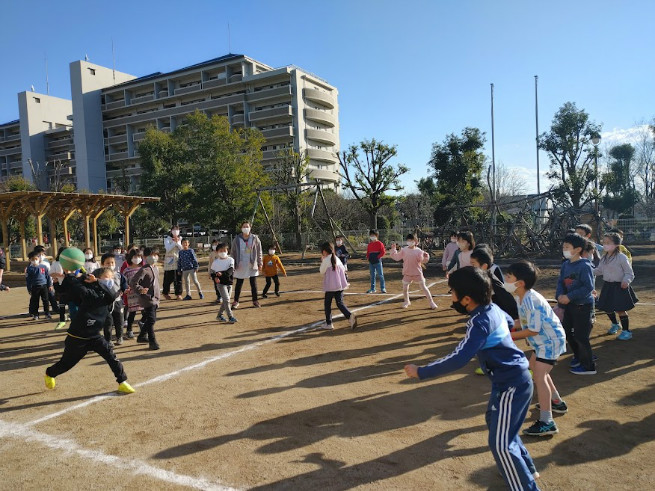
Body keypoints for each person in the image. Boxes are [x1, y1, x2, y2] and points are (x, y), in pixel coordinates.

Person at [404, 267, 538, 489]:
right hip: (510, 380)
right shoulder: (492, 308)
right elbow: (508, 322)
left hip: (511, 384)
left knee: (501, 444)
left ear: (466, 299)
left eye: (452, 292)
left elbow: (459, 357)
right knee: (496, 423)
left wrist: (422, 371)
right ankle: (527, 469)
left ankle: (525, 486)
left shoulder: (479, 322)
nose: (451, 296)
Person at [44, 267, 135, 394]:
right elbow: (74, 290)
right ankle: (50, 373)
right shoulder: (87, 291)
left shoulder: (109, 293)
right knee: (66, 364)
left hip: (95, 336)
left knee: (111, 357)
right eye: (107, 277)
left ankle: (122, 381)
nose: (110, 280)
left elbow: (112, 296)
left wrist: (97, 282)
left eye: (112, 278)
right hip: (77, 337)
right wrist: (74, 276)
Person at [505, 261, 568, 436]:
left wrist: (506, 336)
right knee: (535, 368)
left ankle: (547, 422)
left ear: (520, 283)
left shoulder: (531, 300)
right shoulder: (520, 297)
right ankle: (556, 401)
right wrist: (506, 326)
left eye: (509, 276)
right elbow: (524, 323)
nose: (505, 279)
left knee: (539, 377)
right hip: (542, 342)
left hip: (549, 341)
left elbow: (533, 329)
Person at [556, 234, 596, 375]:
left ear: (578, 249)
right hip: (569, 306)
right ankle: (579, 356)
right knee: (567, 332)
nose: (564, 249)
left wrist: (569, 296)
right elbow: (561, 282)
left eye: (567, 247)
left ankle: (588, 366)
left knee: (581, 336)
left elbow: (588, 287)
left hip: (582, 306)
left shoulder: (584, 266)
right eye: (563, 247)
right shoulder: (565, 264)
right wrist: (560, 295)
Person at [594, 232, 639, 340]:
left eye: (608, 242)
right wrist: (588, 270)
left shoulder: (622, 257)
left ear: (616, 244)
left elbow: (629, 273)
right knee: (607, 307)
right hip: (608, 286)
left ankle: (626, 331)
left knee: (620, 310)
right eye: (604, 242)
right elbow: (599, 270)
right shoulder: (604, 257)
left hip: (620, 286)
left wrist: (626, 281)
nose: (605, 245)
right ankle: (615, 324)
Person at [389, 234, 437, 309]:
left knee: (424, 287)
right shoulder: (404, 250)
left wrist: (426, 256)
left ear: (415, 241)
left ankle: (431, 302)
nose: (409, 242)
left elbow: (423, 261)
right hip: (407, 273)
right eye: (408, 240)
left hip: (417, 273)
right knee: (405, 289)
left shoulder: (419, 251)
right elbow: (396, 257)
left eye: (411, 240)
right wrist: (393, 250)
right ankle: (406, 301)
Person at [319, 242, 356, 330]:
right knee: (339, 302)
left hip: (331, 286)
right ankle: (350, 316)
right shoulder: (336, 258)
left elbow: (321, 271)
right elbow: (343, 269)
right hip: (339, 285)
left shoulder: (326, 259)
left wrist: (323, 260)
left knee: (327, 304)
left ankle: (329, 323)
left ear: (324, 251)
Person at [129, 247, 161, 350]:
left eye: (155, 255)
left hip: (155, 298)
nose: (153, 257)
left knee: (150, 320)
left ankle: (142, 336)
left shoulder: (155, 268)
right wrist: (140, 289)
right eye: (151, 255)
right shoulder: (144, 269)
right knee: (151, 320)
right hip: (147, 299)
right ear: (145, 257)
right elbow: (133, 282)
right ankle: (152, 341)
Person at [231, 221, 263, 309]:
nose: (246, 228)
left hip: (252, 264)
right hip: (240, 264)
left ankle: (255, 301)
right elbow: (233, 252)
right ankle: (236, 301)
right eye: (244, 226)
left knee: (253, 283)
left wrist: (260, 263)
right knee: (239, 283)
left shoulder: (255, 238)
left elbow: (259, 251)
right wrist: (233, 264)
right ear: (241, 228)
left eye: (247, 226)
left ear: (250, 227)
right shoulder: (237, 239)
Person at [99, 252, 127, 345]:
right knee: (107, 323)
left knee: (119, 321)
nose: (110, 265)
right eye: (107, 263)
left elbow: (124, 284)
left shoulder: (119, 275)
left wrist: (125, 289)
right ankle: (108, 339)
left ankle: (119, 337)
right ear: (102, 264)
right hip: (106, 303)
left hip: (118, 301)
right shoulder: (99, 276)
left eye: (112, 263)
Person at [210, 242, 237, 323]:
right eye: (220, 251)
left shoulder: (230, 260)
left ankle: (219, 315)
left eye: (224, 250)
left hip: (229, 283)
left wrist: (221, 274)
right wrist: (215, 277)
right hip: (220, 284)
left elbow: (230, 271)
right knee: (227, 299)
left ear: (227, 251)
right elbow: (212, 272)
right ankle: (230, 316)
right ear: (217, 252)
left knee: (226, 300)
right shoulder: (215, 262)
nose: (223, 252)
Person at [122, 249, 144, 339]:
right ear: (130, 258)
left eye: (139, 257)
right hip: (131, 295)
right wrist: (126, 289)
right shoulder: (126, 270)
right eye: (135, 257)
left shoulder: (143, 269)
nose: (137, 259)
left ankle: (143, 325)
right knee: (132, 313)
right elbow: (124, 282)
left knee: (145, 312)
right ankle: (129, 330)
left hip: (143, 294)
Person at [26, 251, 53, 320]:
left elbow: (48, 276)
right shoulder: (29, 269)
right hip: (35, 286)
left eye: (36, 259)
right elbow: (28, 279)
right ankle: (36, 314)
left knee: (46, 300)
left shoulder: (43, 267)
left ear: (39, 259)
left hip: (44, 286)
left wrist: (50, 285)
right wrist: (29, 288)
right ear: (30, 260)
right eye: (32, 259)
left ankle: (47, 313)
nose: (35, 261)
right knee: (35, 301)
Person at [163, 225, 183, 300]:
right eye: (174, 230)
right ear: (171, 231)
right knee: (168, 278)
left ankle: (178, 293)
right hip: (169, 261)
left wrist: (177, 242)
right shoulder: (167, 239)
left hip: (178, 260)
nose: (175, 231)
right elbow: (168, 248)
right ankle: (165, 293)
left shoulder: (180, 238)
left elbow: (181, 248)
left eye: (177, 230)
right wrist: (175, 242)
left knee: (178, 278)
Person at [50, 248, 68, 330]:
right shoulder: (56, 263)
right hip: (60, 285)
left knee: (74, 303)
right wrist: (56, 275)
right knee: (61, 303)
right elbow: (51, 273)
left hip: (71, 285)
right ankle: (62, 320)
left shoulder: (71, 262)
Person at [366, 229, 386, 294]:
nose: (372, 237)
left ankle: (383, 288)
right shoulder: (369, 244)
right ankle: (372, 288)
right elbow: (368, 252)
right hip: (371, 262)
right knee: (372, 275)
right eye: (371, 235)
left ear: (377, 235)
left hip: (378, 262)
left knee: (380, 275)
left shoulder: (380, 243)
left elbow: (383, 252)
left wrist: (378, 257)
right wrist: (368, 258)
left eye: (373, 235)